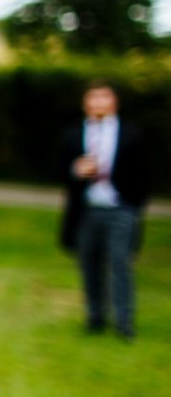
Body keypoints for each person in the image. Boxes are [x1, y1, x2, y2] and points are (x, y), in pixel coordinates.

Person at [59, 80, 152, 340]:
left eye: (104, 97)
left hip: (120, 208)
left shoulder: (131, 134)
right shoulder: (73, 134)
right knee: (88, 263)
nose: (99, 102)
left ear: (114, 102)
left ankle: (124, 322)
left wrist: (133, 206)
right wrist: (75, 170)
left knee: (120, 263)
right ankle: (95, 317)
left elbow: (144, 173)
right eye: (93, 97)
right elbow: (60, 169)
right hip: (86, 209)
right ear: (85, 103)